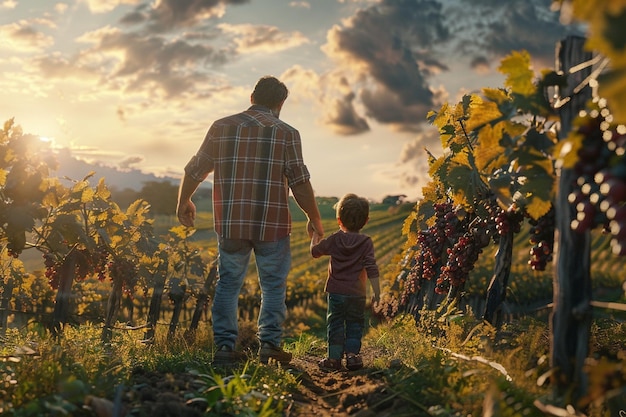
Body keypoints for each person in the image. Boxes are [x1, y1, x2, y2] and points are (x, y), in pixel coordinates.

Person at [177, 75, 324, 366]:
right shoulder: (287, 133)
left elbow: (195, 168)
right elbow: (300, 182)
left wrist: (184, 200)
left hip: (231, 223)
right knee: (273, 286)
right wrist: (314, 218)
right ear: (280, 103)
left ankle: (224, 348)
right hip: (273, 224)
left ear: (251, 96)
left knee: (228, 284)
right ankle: (269, 345)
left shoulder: (221, 127)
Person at [310, 193, 380, 371]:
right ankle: (353, 356)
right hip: (357, 293)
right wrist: (377, 292)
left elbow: (315, 252)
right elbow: (372, 267)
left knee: (335, 323)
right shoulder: (366, 242)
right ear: (366, 220)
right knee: (355, 323)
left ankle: (333, 359)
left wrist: (314, 237)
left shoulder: (335, 239)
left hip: (336, 292)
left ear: (339, 220)